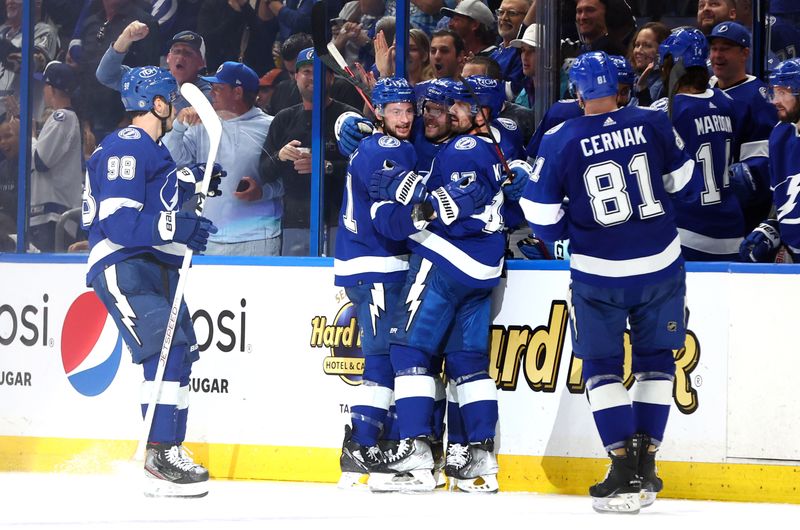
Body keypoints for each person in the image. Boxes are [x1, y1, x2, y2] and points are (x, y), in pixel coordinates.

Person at [520, 51, 697, 513]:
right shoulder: (653, 121)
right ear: (619, 86)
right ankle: (648, 464)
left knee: (601, 367)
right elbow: (681, 179)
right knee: (657, 361)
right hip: (661, 264)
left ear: (577, 91)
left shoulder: (560, 137)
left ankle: (622, 467)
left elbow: (538, 214)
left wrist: (566, 233)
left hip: (599, 273)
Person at [366, 75, 527, 494]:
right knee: (467, 363)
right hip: (483, 271)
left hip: (444, 262)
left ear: (480, 112)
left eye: (456, 105)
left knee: (409, 348)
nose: (447, 111)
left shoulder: (464, 147)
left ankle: (417, 451)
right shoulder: (495, 146)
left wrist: (407, 197)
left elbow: (450, 204)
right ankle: (480, 459)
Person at [82, 67, 220, 497]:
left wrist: (190, 184)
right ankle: (160, 452)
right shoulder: (129, 143)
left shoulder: (154, 152)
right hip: (125, 263)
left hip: (152, 264)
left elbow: (154, 202)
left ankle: (169, 448)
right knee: (163, 352)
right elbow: (120, 222)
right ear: (156, 104)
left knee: (180, 353)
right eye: (170, 100)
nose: (174, 107)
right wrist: (178, 227)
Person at [335, 76, 418, 488]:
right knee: (383, 356)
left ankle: (367, 446)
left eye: (408, 110)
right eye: (396, 111)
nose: (404, 118)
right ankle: (362, 446)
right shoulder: (386, 149)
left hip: (370, 261)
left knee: (386, 355)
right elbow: (395, 215)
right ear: (379, 113)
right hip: (376, 262)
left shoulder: (380, 145)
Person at [164, 61, 281, 256]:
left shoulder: (271, 127)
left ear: (237, 92)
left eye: (218, 88)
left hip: (259, 238)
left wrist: (263, 192)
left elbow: (288, 179)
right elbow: (172, 161)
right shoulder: (200, 124)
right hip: (208, 237)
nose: (211, 93)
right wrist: (178, 126)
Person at [653, 27, 744, 261]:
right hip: (732, 232)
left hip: (687, 231)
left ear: (673, 64)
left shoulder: (664, 112)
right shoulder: (727, 101)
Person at [259, 48, 358, 256]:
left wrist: (327, 166)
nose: (313, 77)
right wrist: (281, 156)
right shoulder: (283, 119)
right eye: (306, 71)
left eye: (320, 71)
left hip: (341, 220)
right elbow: (264, 173)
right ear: (295, 77)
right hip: (295, 223)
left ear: (331, 78)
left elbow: (365, 170)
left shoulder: (349, 117)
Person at [708, 21, 778, 233]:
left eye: (725, 49)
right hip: (704, 205)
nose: (717, 55)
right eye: (714, 48)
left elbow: (756, 171)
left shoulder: (758, 98)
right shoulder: (705, 87)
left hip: (739, 216)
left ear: (744, 53)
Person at [740, 58, 800, 263]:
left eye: (783, 93)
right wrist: (771, 229)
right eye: (774, 93)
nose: (775, 101)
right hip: (792, 253)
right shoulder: (779, 135)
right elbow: (780, 198)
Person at [96, 22, 212, 112]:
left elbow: (188, 114)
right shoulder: (153, 77)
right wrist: (125, 39)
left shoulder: (209, 94)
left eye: (188, 53)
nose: (180, 57)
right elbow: (106, 75)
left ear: (202, 62)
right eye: (176, 51)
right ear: (168, 57)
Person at [30, 61, 82, 252]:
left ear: (51, 88)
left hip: (53, 216)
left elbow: (41, 162)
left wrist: (29, 136)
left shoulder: (63, 118)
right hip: (49, 215)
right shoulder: (64, 118)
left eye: (44, 85)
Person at [490, 0, 529, 98]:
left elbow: (512, 93)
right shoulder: (495, 53)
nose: (504, 18)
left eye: (512, 13)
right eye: (501, 12)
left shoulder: (523, 53)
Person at [628, 22, 669, 107]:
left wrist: (643, 90)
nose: (638, 51)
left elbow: (650, 118)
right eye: (637, 45)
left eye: (647, 46)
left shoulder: (666, 85)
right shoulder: (630, 79)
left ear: (663, 50)